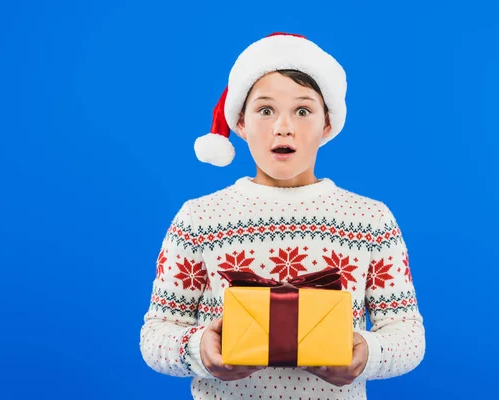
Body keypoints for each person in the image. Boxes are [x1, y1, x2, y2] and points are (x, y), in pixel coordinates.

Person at [139, 32, 425, 399]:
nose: (283, 126)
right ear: (240, 123)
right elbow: (156, 334)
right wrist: (198, 351)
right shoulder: (199, 219)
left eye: (303, 110)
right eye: (265, 110)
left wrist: (368, 353)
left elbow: (408, 335)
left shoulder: (371, 220)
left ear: (327, 124)